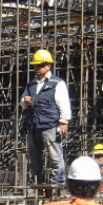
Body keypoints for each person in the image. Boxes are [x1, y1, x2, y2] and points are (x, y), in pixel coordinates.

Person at [21, 49, 71, 185]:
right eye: (34, 66)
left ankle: (58, 182)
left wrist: (63, 122)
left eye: (39, 66)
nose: (36, 69)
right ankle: (36, 182)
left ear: (48, 66)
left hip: (50, 125)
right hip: (33, 125)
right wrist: (25, 101)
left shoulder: (57, 83)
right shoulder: (31, 84)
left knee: (55, 156)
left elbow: (64, 104)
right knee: (34, 158)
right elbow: (23, 102)